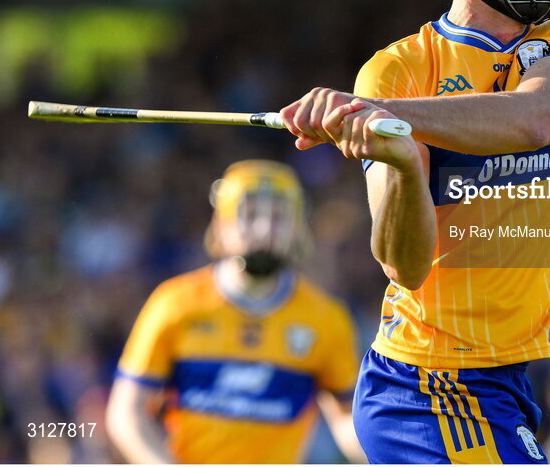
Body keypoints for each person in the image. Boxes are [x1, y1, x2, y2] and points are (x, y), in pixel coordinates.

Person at [281, 0, 550, 463]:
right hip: (428, 384)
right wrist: (406, 166)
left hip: (505, 375)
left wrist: (391, 116)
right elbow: (403, 267)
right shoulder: (396, 71)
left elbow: (537, 119)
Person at [105, 160, 364, 464]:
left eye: (279, 218)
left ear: (297, 230)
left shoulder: (326, 319)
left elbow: (347, 420)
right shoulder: (174, 303)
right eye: (250, 215)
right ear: (221, 225)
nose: (265, 229)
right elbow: (126, 413)